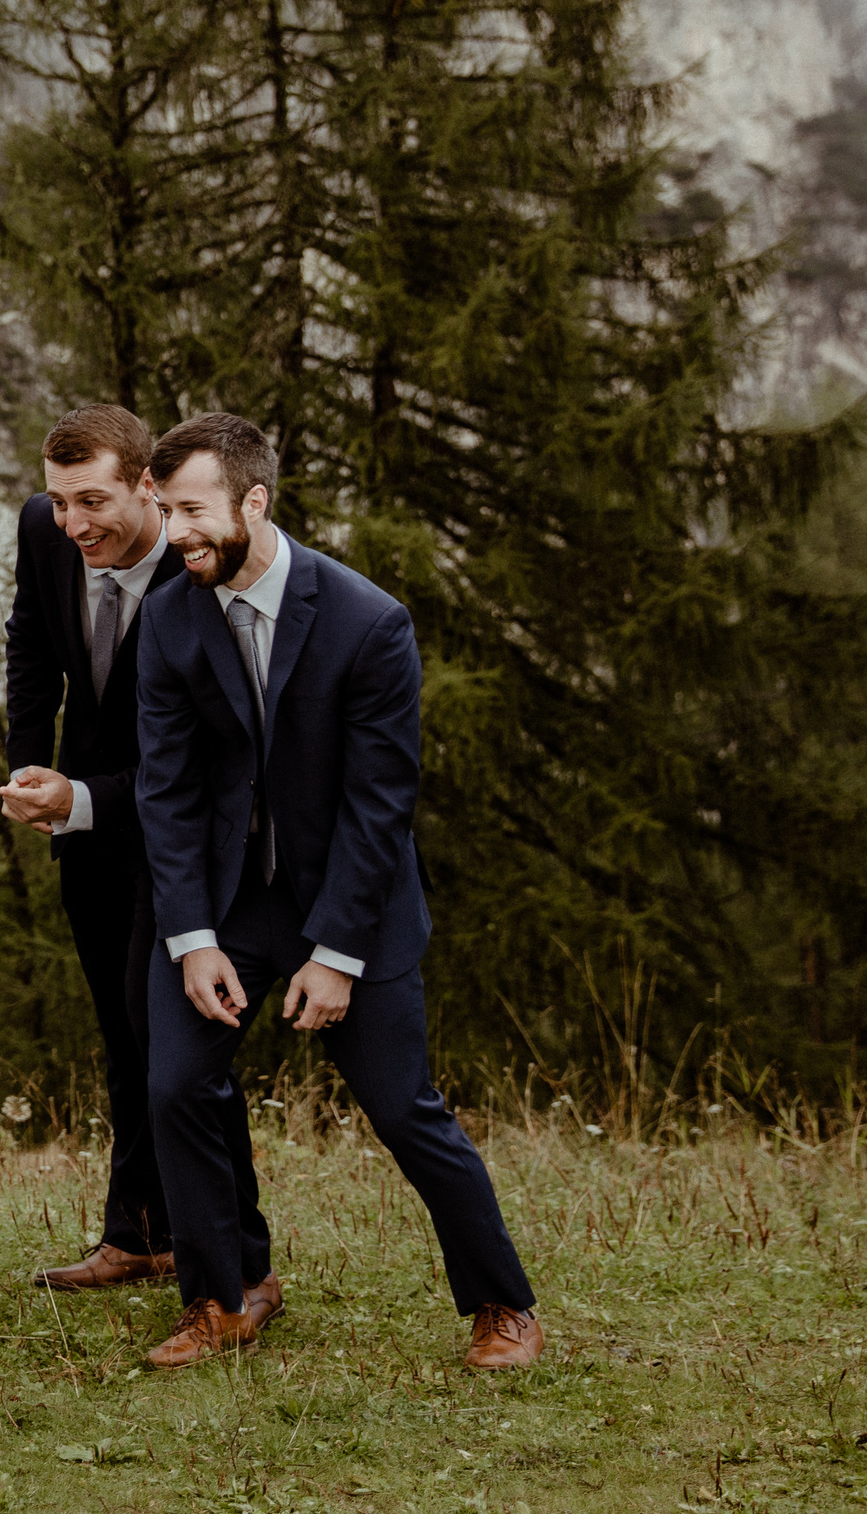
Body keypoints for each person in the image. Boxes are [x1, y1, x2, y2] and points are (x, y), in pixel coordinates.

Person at [132, 411, 543, 1371]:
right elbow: (166, 788)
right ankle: (226, 1294)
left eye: (191, 509)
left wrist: (337, 954)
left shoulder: (369, 619)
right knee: (174, 1085)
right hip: (225, 903)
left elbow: (380, 804)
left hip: (351, 901)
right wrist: (191, 935)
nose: (175, 530)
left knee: (404, 1108)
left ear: (254, 501)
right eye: (165, 509)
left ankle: (503, 1303)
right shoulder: (168, 614)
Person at [0, 403, 221, 1294]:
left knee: (159, 1032)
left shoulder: (201, 567)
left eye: (92, 500)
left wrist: (83, 798)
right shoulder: (43, 531)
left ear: (148, 487)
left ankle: (220, 1253)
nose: (72, 524)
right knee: (121, 1033)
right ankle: (137, 1231)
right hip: (79, 822)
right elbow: (29, 645)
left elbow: (201, 758)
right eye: (58, 502)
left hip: (174, 837)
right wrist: (28, 762)